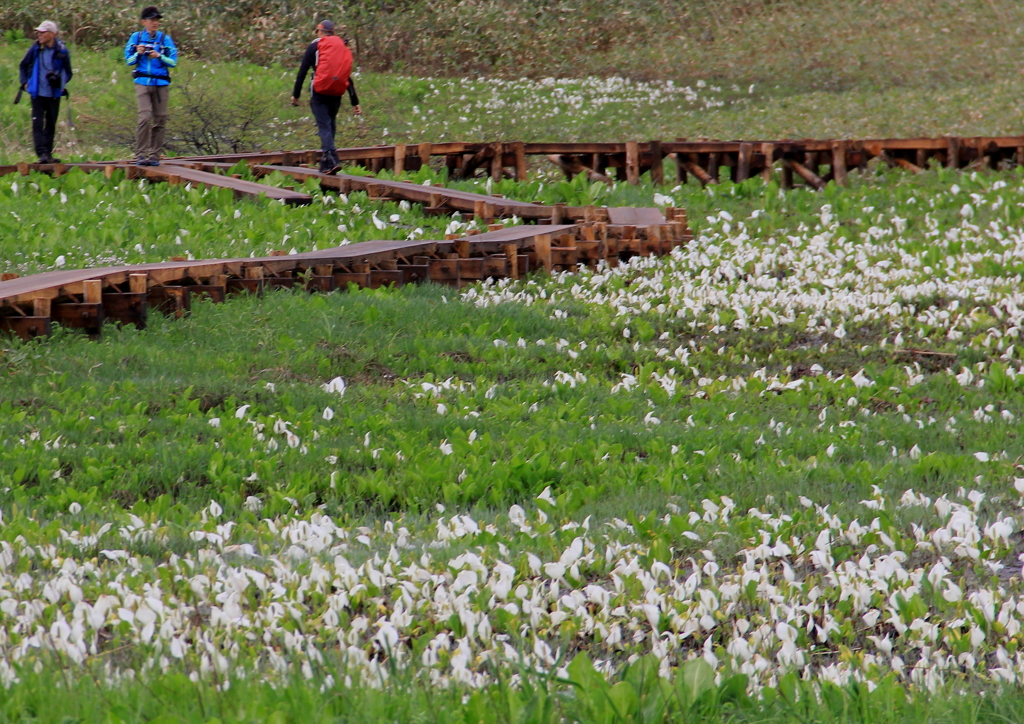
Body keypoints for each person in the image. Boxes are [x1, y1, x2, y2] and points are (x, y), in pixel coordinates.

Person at [291, 20, 361, 175]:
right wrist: (354, 101)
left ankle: (332, 158)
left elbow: (302, 72)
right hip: (336, 91)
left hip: (319, 91)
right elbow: (346, 76)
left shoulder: (314, 46)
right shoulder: (341, 47)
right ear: (333, 32)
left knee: (324, 126)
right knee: (330, 124)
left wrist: (295, 95)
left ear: (320, 31)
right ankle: (326, 165)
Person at [124, 6, 178, 166]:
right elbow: (128, 60)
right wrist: (139, 53)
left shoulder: (165, 39)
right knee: (145, 117)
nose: (155, 23)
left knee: (160, 119)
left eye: (157, 20)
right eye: (152, 20)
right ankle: (140, 154)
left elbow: (173, 62)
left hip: (161, 83)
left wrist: (159, 56)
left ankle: (154, 156)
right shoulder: (136, 37)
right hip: (142, 82)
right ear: (144, 22)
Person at [18, 20, 73, 164]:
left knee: (50, 124)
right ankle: (41, 154)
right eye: (39, 32)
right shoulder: (35, 48)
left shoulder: (62, 50)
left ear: (52, 34)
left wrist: (60, 82)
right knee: (37, 124)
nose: (39, 35)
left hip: (54, 94)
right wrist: (25, 83)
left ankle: (48, 154)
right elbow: (23, 65)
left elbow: (68, 72)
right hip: (37, 93)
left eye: (43, 32)